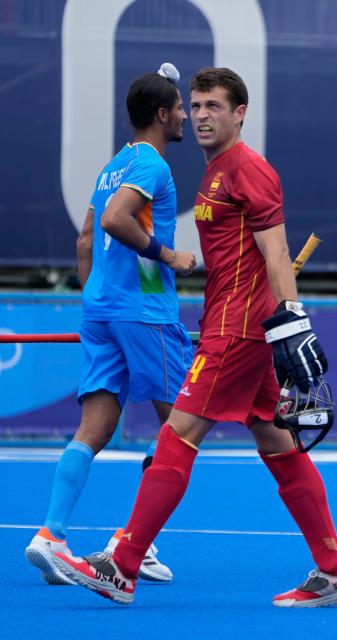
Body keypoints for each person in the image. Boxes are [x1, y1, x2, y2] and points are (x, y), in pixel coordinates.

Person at [50, 67, 337, 608]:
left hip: (238, 330)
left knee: (178, 434)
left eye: (213, 106)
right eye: (194, 106)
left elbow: (277, 253)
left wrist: (291, 317)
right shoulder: (214, 172)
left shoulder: (250, 170)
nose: (200, 116)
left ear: (239, 113)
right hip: (231, 323)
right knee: (277, 444)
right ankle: (336, 570)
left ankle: (122, 566)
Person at [24, 63, 196, 586]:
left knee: (94, 427)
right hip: (143, 311)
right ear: (162, 114)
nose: (188, 115)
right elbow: (112, 221)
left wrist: (97, 299)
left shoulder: (111, 167)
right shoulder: (153, 165)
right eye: (182, 108)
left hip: (99, 307)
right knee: (182, 425)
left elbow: (83, 241)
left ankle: (51, 535)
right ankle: (132, 544)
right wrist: (169, 256)